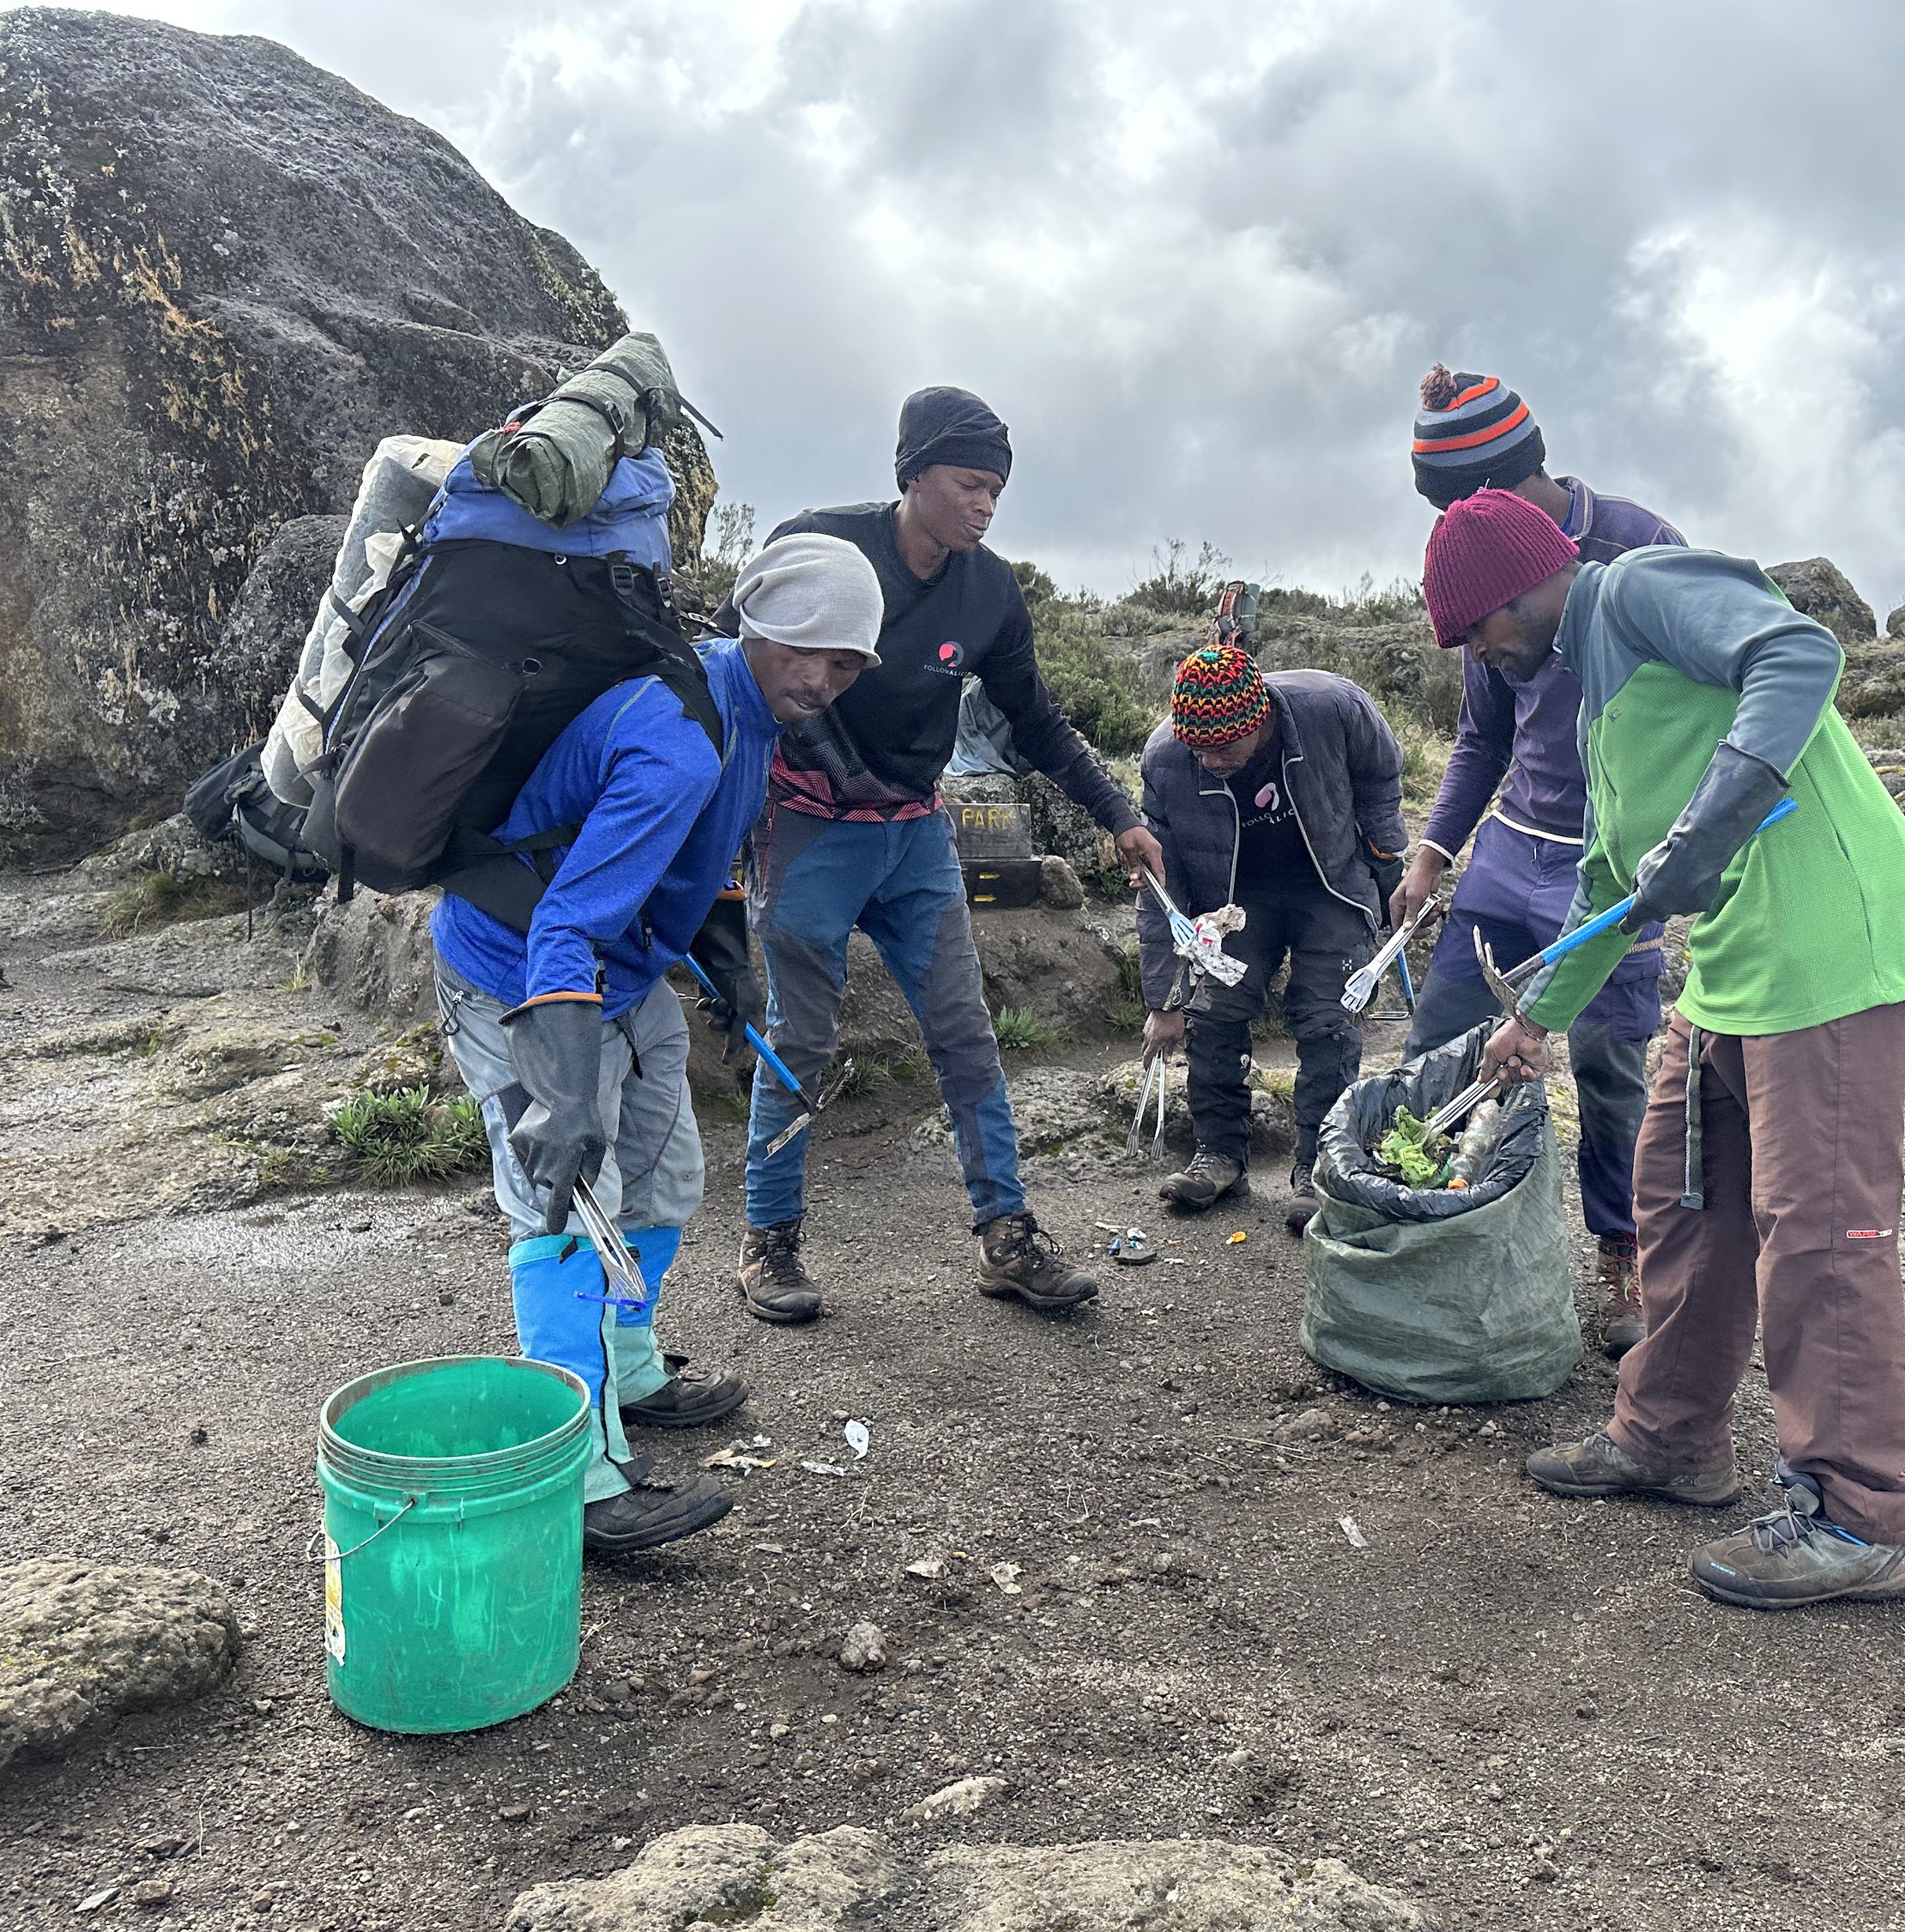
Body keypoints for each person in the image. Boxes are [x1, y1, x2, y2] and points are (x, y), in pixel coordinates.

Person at [1421, 488, 1905, 1610]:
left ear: (1523, 588)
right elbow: (1614, 881)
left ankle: (1861, 1513)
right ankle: (1670, 1432)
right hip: (1733, 969)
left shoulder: (1635, 587)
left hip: (1829, 948)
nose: (1477, 652)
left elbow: (1794, 651)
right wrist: (1533, 1019)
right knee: (1679, 1190)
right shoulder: (1591, 702)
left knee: (1819, 1231)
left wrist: (1714, 811)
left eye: (1476, 626)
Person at [432, 534, 887, 1555]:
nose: (825, 675)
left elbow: (694, 852)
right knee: (563, 1213)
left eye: (848, 659)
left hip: (625, 968)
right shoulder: (678, 733)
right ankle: (579, 1475)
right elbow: (561, 926)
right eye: (807, 646)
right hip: (520, 972)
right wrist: (561, 1094)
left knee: (669, 1178)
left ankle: (630, 1365)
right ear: (754, 625)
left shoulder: (752, 709)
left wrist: (720, 952)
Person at [729, 387, 1165, 1325]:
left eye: (997, 491)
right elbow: (745, 667)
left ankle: (1006, 1236)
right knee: (797, 1038)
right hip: (806, 829)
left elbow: (1036, 719)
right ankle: (768, 1242)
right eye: (970, 483)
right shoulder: (822, 544)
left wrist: (1115, 810)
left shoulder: (989, 590)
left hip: (916, 834)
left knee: (965, 1034)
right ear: (915, 473)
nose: (985, 505)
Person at [1387, 369, 1684, 1360]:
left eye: (1472, 501)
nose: (1461, 521)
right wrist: (1432, 854)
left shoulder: (1641, 549)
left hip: (1613, 866)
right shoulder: (1478, 570)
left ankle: (1625, 1253)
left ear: (1524, 479)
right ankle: (1417, 1213)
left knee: (1608, 1063)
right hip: (1513, 851)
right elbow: (1483, 737)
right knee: (1439, 1035)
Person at [1137, 645, 1406, 1232]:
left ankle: (1316, 1166)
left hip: (1330, 886)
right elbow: (1162, 885)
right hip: (1233, 897)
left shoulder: (1333, 708)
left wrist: (1393, 883)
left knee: (1327, 1019)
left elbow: (1381, 786)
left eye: (1223, 748)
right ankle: (1220, 1155)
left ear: (1259, 721)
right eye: (1197, 747)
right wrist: (1163, 998)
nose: (1207, 760)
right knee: (1211, 1011)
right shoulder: (1165, 760)